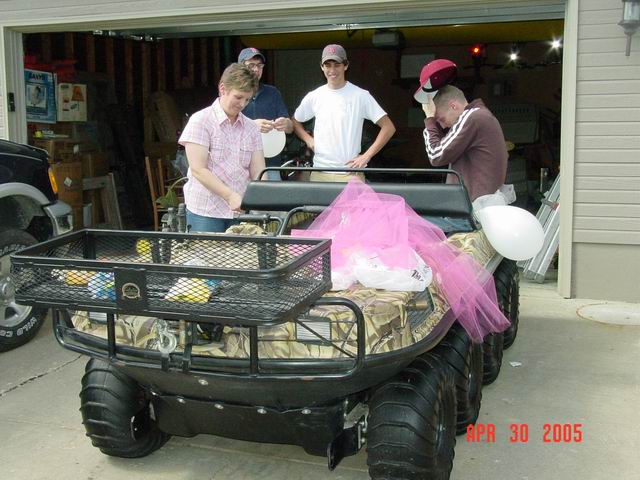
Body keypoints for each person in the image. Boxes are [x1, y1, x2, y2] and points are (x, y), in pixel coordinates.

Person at [178, 63, 265, 233]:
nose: (242, 104)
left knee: (241, 260)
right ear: (223, 88)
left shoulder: (251, 128)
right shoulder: (200, 120)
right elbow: (198, 169)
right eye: (238, 97)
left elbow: (259, 170)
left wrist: (261, 198)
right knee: (205, 259)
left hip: (240, 211)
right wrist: (230, 196)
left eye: (247, 99)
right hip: (205, 210)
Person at [292, 44, 396, 182]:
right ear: (321, 67)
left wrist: (366, 156)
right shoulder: (314, 96)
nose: (332, 70)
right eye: (327, 65)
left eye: (337, 64)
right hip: (320, 173)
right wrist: (308, 139)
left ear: (346, 65)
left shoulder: (361, 95)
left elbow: (389, 127)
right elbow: (295, 120)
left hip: (351, 174)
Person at [422, 85, 508, 203]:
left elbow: (435, 155)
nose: (443, 126)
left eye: (441, 119)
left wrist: (430, 120)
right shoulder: (481, 116)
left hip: (475, 208)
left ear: (453, 106)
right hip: (483, 204)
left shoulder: (471, 117)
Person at [238, 47, 293, 181]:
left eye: (259, 65)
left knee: (271, 201)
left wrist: (286, 124)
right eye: (251, 65)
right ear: (240, 67)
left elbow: (291, 128)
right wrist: (253, 125)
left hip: (271, 165)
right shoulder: (234, 94)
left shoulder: (273, 93)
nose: (256, 69)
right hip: (240, 165)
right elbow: (226, 126)